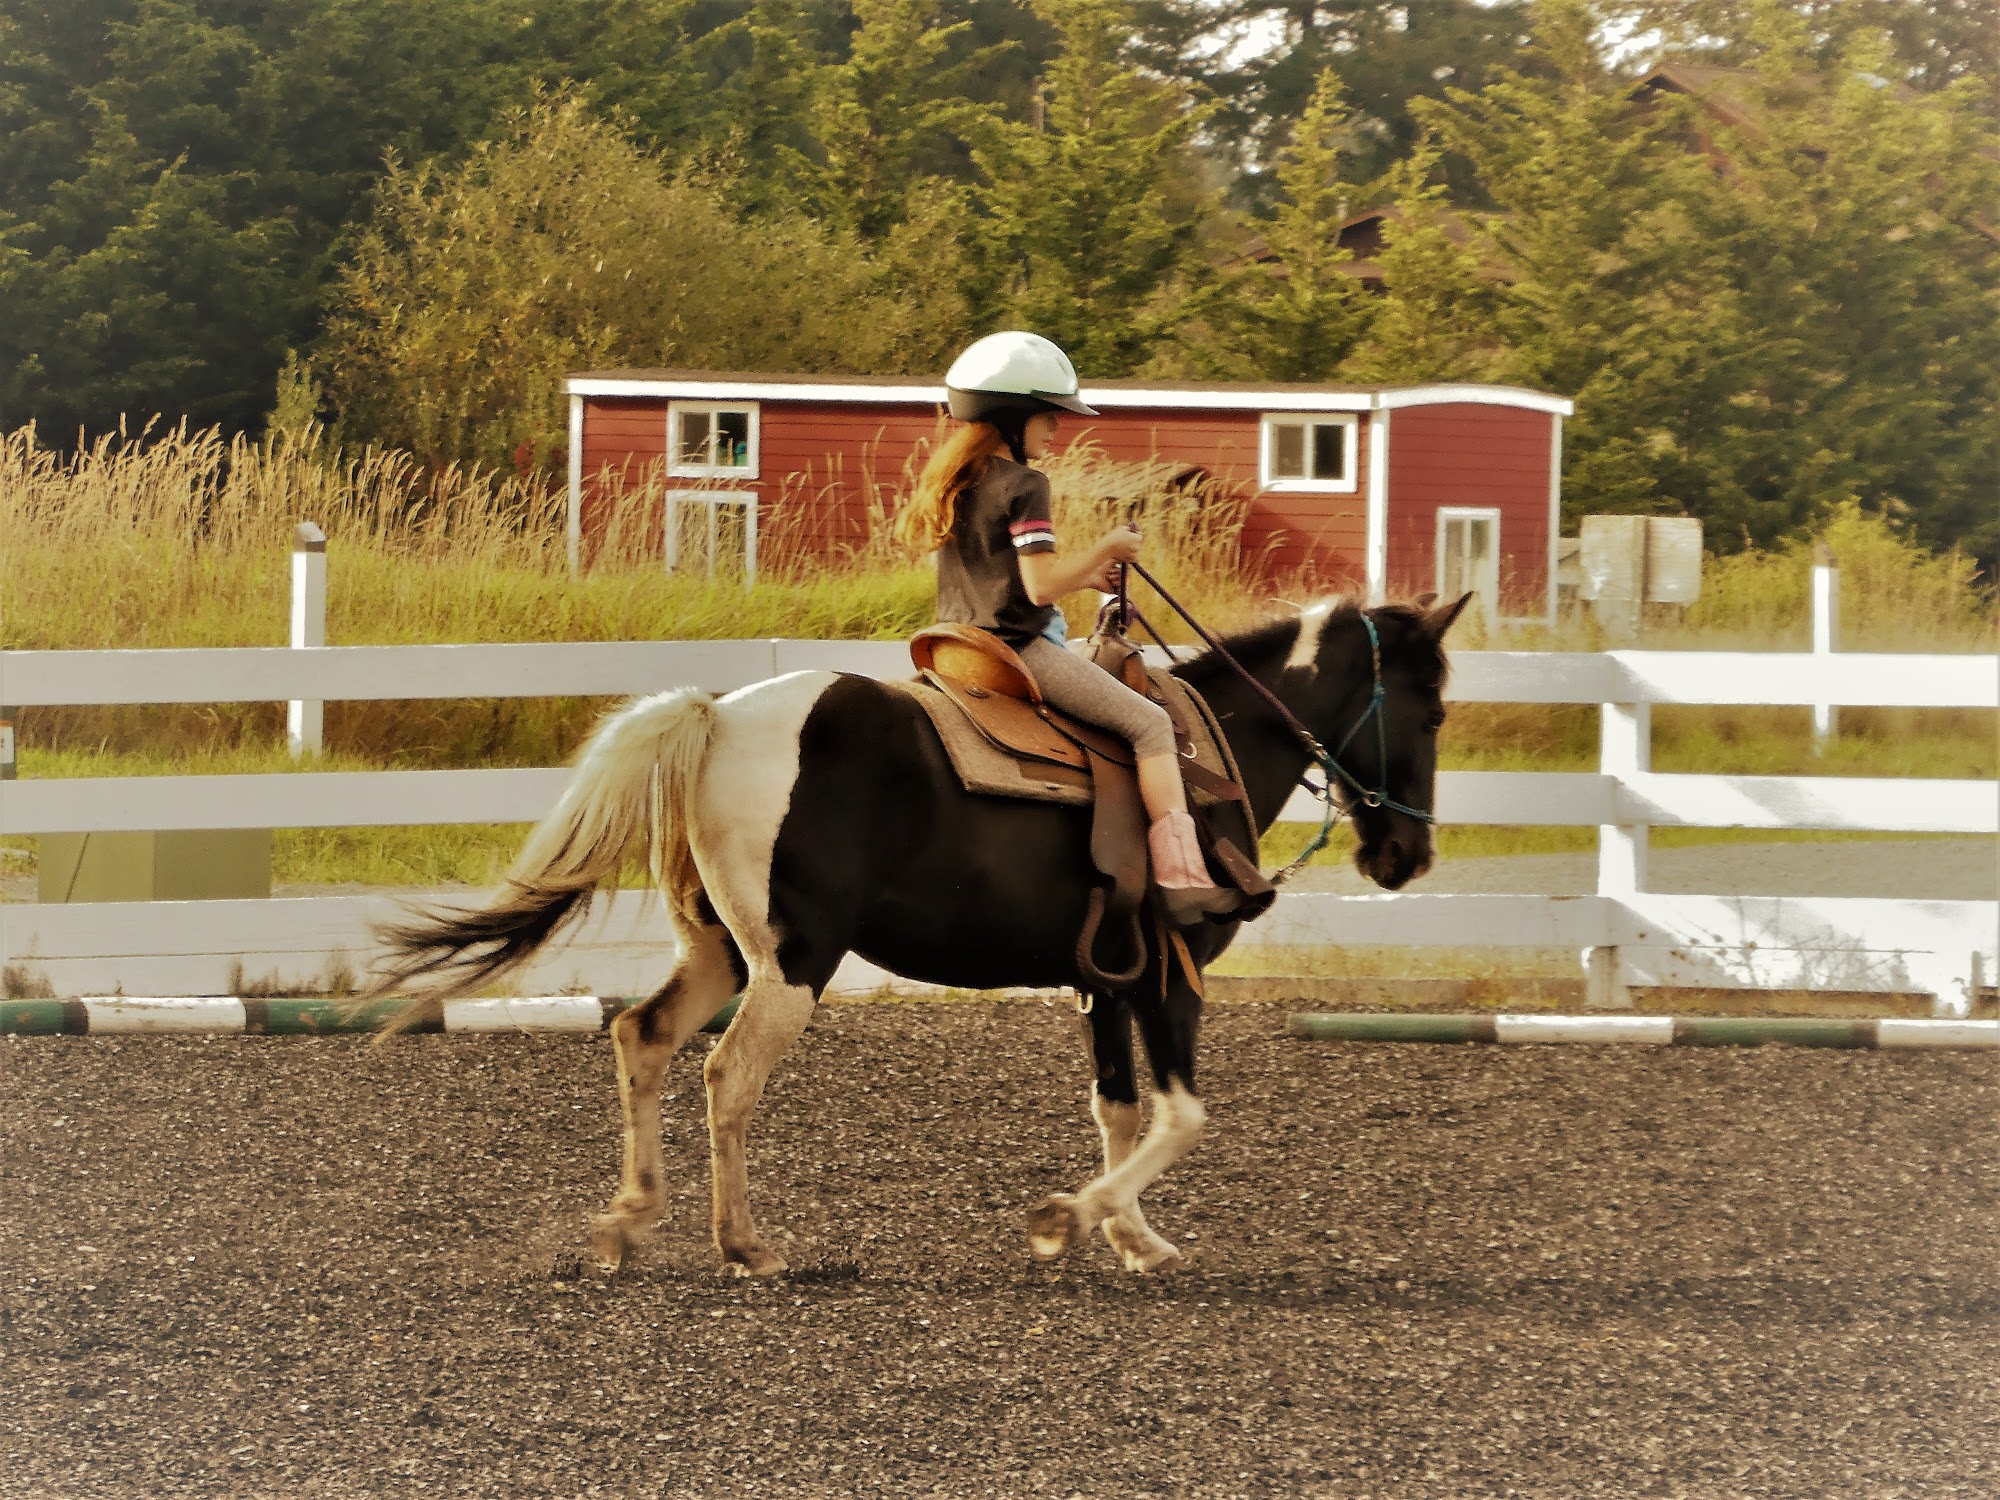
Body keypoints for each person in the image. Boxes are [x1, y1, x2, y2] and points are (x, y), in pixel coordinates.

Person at [895, 330, 1240, 922]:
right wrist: (1109, 546)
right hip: (1015, 649)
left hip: (956, 645)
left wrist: (1088, 576)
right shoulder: (1025, 484)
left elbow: (1010, 579)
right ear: (1013, 416)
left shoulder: (956, 478)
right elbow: (1039, 588)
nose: (1057, 427)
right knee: (1151, 723)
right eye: (1048, 415)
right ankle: (1181, 879)